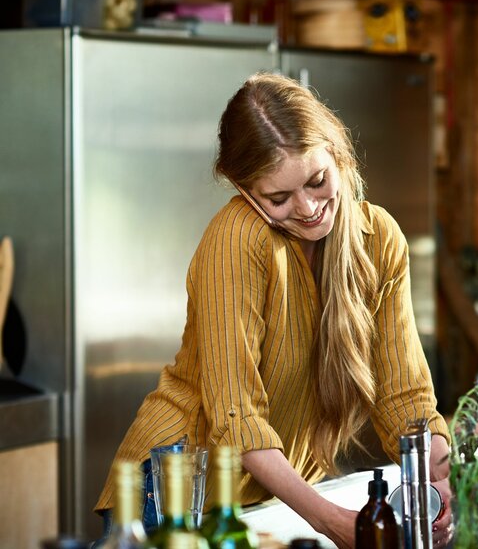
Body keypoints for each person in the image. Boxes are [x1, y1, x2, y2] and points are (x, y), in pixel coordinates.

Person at [94, 72, 453, 548]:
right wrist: (329, 520)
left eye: (318, 180)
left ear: (337, 155)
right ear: (244, 191)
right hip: (178, 496)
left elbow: (404, 396)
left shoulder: (379, 239)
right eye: (278, 198)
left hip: (275, 496)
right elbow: (236, 418)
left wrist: (439, 479)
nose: (307, 208)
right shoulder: (237, 240)